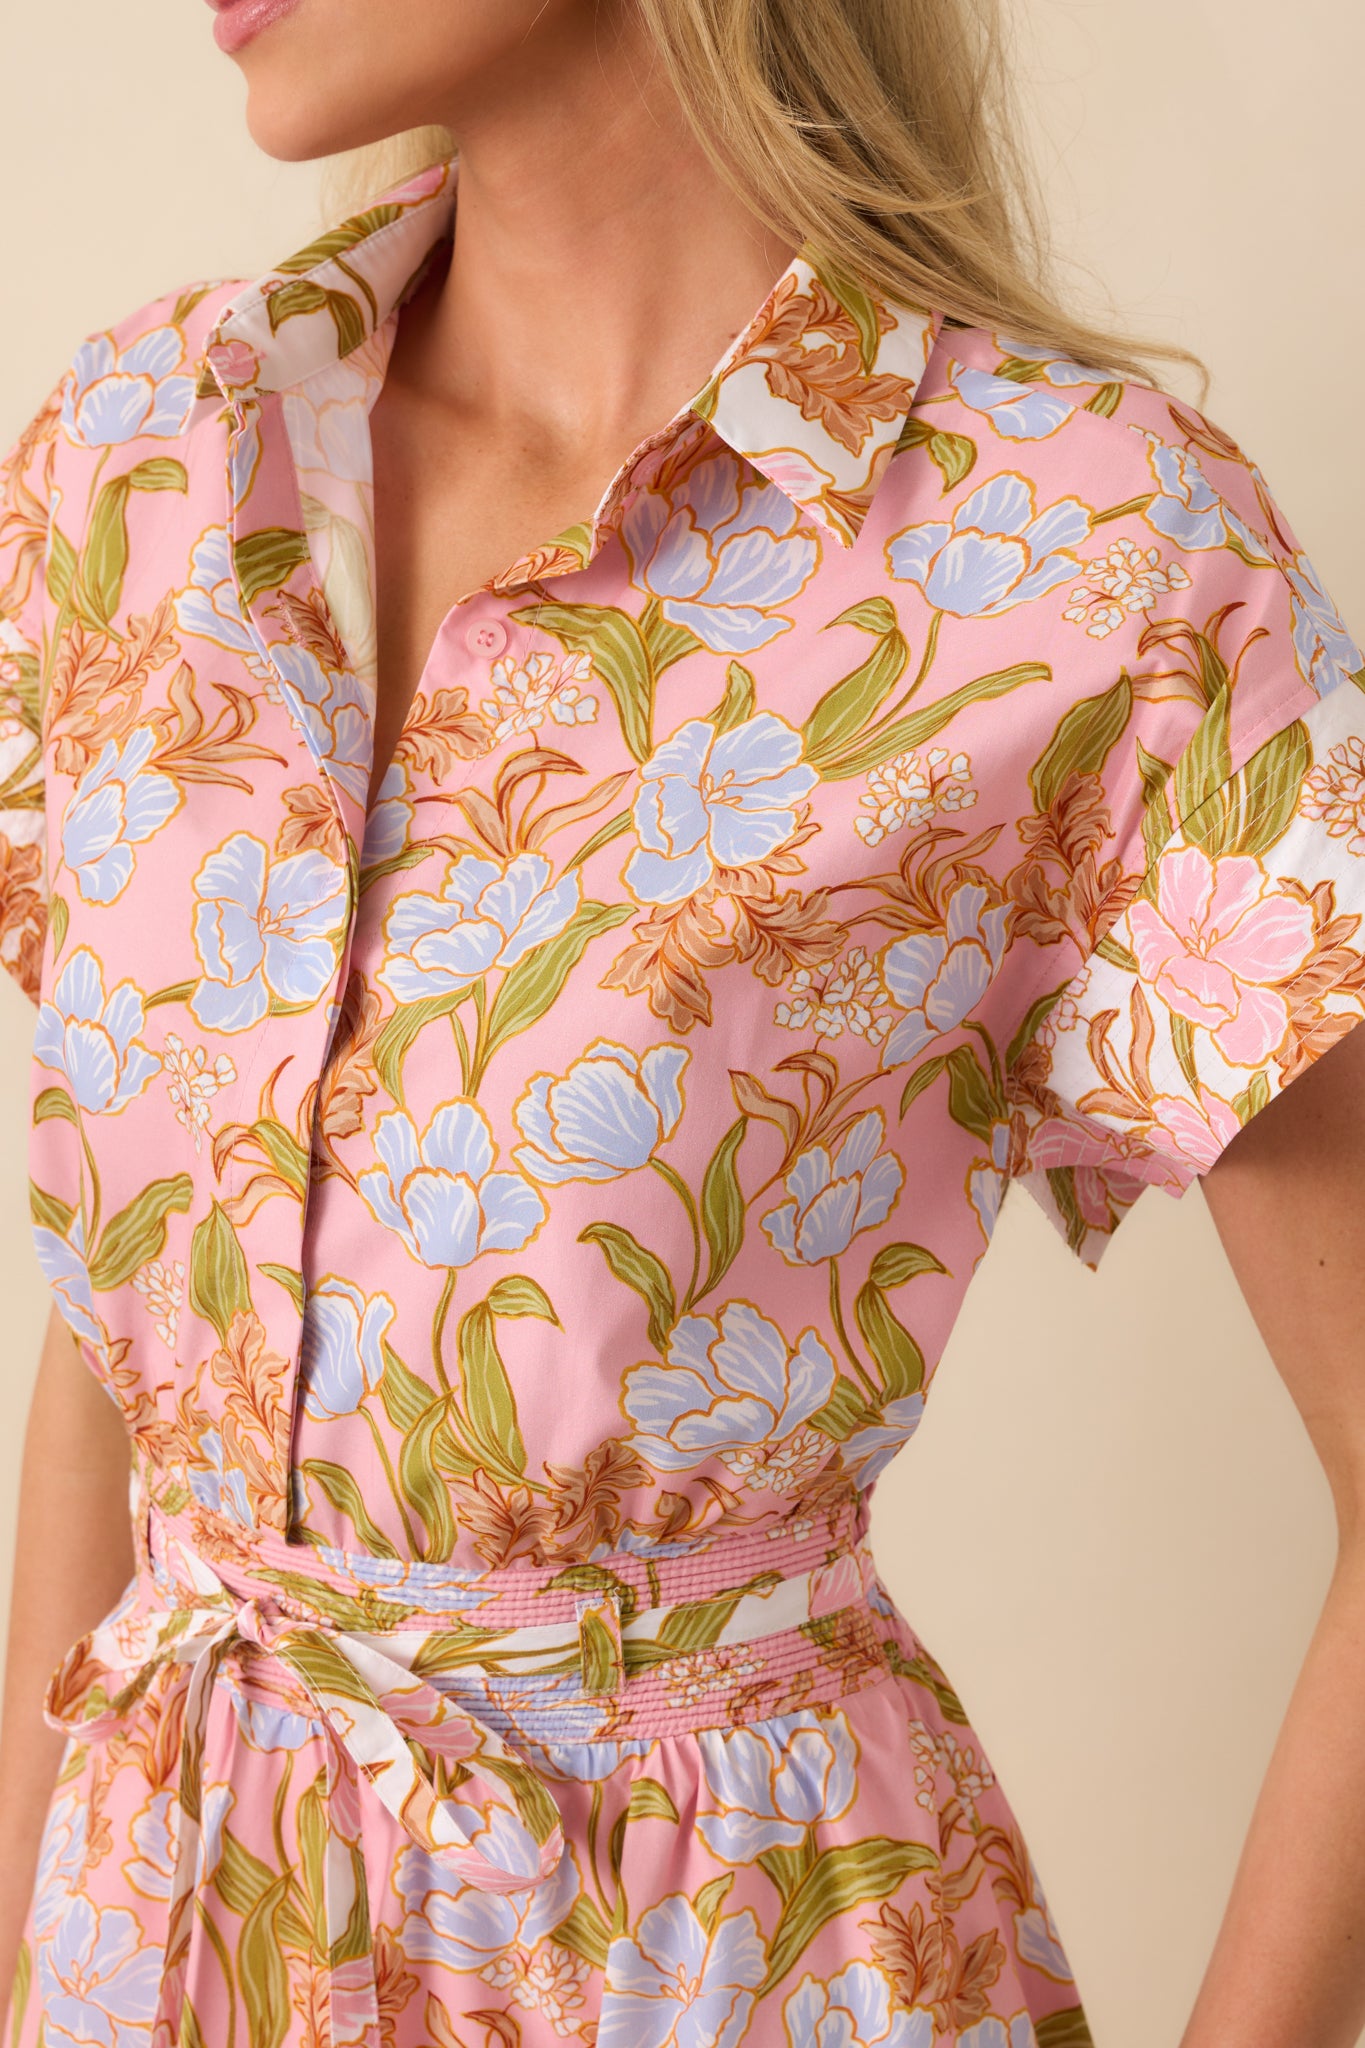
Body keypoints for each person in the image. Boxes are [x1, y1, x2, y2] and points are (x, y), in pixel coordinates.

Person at [2, 1, 1364, 2041]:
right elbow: (138, 1318)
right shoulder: (141, 464)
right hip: (164, 1953)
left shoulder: (1086, 554)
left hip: (718, 1968)